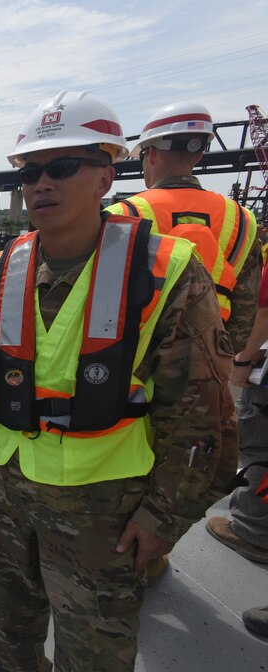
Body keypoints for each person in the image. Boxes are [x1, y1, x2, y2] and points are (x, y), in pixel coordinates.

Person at [0, 91, 235, 672]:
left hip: (105, 507)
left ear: (107, 172)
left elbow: (201, 416)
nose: (41, 183)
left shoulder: (166, 272)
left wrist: (164, 517)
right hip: (6, 493)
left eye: (62, 166)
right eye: (29, 172)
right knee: (8, 622)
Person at [105, 101, 262, 582]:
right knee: (189, 462)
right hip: (209, 370)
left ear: (147, 154)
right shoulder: (243, 221)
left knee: (130, 464)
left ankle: (125, 555)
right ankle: (156, 550)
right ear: (198, 153)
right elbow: (249, 307)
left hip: (135, 370)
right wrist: (221, 358)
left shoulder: (124, 214)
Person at [214, 239, 268, 639]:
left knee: (259, 451)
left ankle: (251, 529)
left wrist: (243, 362)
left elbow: (261, 312)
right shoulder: (240, 225)